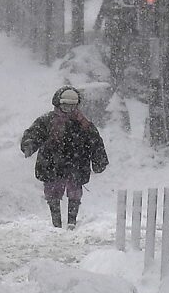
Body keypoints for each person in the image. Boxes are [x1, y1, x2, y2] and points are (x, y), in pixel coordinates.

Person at [20, 85, 108, 228]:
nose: (69, 110)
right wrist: (29, 145)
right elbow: (33, 134)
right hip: (52, 162)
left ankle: (72, 221)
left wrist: (99, 159)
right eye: (66, 106)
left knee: (74, 192)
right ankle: (56, 222)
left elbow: (95, 142)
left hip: (76, 162)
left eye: (72, 106)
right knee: (52, 191)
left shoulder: (84, 124)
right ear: (58, 104)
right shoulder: (47, 121)